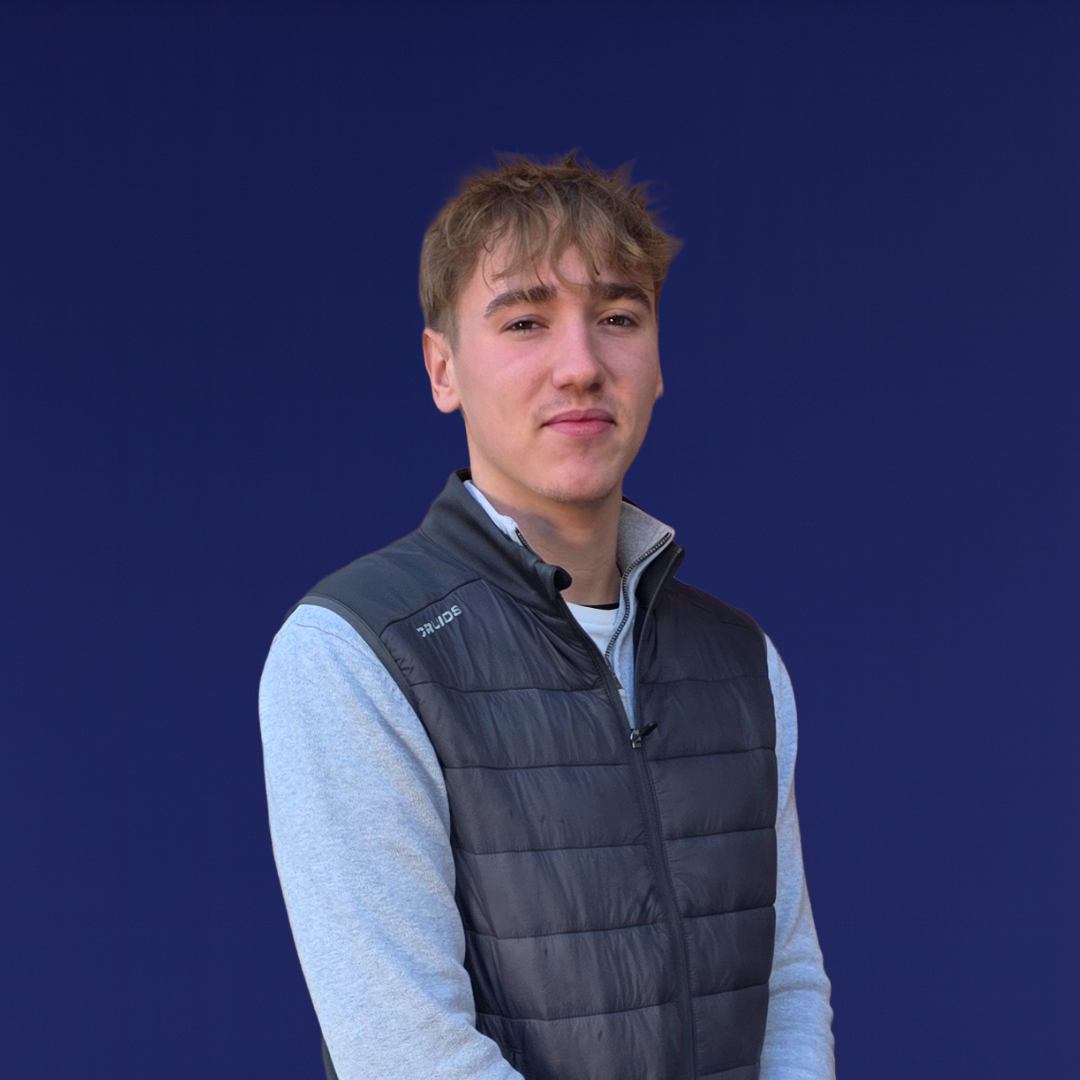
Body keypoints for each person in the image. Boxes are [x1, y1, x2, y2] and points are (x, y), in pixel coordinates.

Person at [259, 153, 835, 1080]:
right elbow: (404, 1052)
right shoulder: (351, 654)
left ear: (656, 361)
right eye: (525, 320)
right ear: (442, 368)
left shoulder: (740, 659)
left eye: (617, 317)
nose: (580, 364)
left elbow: (788, 982)